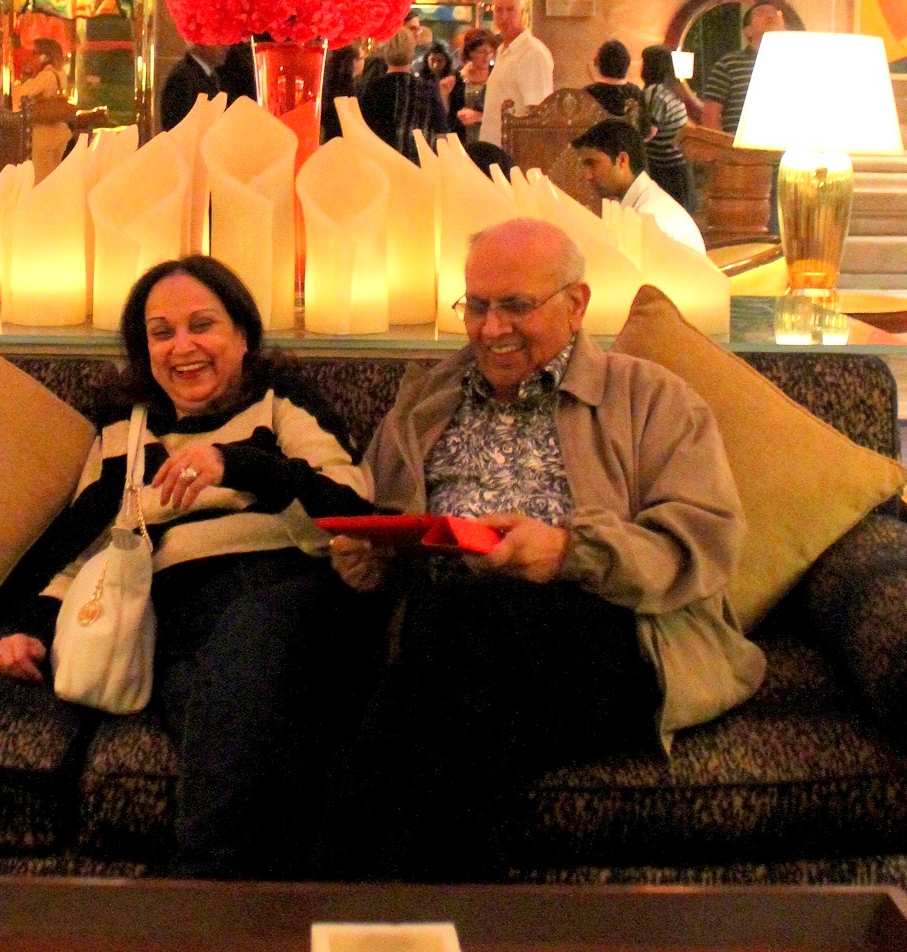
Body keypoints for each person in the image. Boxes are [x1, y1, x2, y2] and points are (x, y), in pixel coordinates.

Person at [319, 217, 757, 879]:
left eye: (516, 306)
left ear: (576, 304)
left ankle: (332, 895)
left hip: (614, 630)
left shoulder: (649, 397)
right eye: (477, 307)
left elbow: (702, 540)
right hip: (450, 642)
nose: (491, 329)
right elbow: (379, 512)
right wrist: (368, 557)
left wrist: (566, 552)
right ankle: (461, 922)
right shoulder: (427, 400)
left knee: (466, 625)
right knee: (478, 735)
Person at [0, 256, 373, 875]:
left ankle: (198, 890)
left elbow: (353, 510)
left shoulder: (280, 403)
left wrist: (236, 464)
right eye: (161, 333)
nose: (182, 347)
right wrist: (32, 628)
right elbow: (85, 538)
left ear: (242, 335)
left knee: (248, 662)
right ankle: (283, 907)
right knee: (244, 731)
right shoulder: (129, 429)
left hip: (286, 591)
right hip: (183, 619)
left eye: (202, 325)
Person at [575, 117, 707, 254]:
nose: (587, 175)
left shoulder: (649, 216)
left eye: (592, 163)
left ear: (622, 160)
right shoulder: (644, 205)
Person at [479, 0, 553, 152]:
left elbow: (537, 113)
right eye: (499, 10)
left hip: (515, 151)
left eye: (510, 10)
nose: (504, 16)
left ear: (522, 14)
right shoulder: (502, 50)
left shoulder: (532, 52)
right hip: (494, 147)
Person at [359, 26, 446, 162]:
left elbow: (363, 131)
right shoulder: (427, 89)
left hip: (382, 162)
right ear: (412, 52)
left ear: (385, 52)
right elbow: (441, 134)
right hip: (420, 164)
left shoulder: (373, 88)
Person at [702, 0, 784, 135]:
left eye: (775, 13)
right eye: (761, 13)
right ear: (748, 31)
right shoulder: (728, 64)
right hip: (739, 146)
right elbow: (710, 119)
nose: (770, 16)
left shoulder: (797, 65)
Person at [639, 44, 700, 212]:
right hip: (680, 166)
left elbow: (649, 132)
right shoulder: (674, 89)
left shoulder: (655, 93)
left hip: (664, 170)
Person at [160, 35, 254, 131]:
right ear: (201, 43)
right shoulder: (183, 78)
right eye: (219, 41)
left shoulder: (206, 74)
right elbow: (181, 127)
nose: (227, 46)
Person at [18, 34, 73, 181]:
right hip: (59, 131)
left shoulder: (46, 76)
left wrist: (27, 76)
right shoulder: (60, 74)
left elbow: (24, 94)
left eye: (34, 53)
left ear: (45, 56)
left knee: (42, 177)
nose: (31, 57)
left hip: (44, 134)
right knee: (54, 174)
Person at [584, 38, 644, 124]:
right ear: (627, 63)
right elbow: (648, 128)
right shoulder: (636, 93)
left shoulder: (588, 94)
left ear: (600, 64)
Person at [424, 43, 457, 123]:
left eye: (440, 61)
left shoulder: (453, 81)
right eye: (432, 60)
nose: (435, 65)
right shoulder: (420, 81)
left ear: (447, 61)